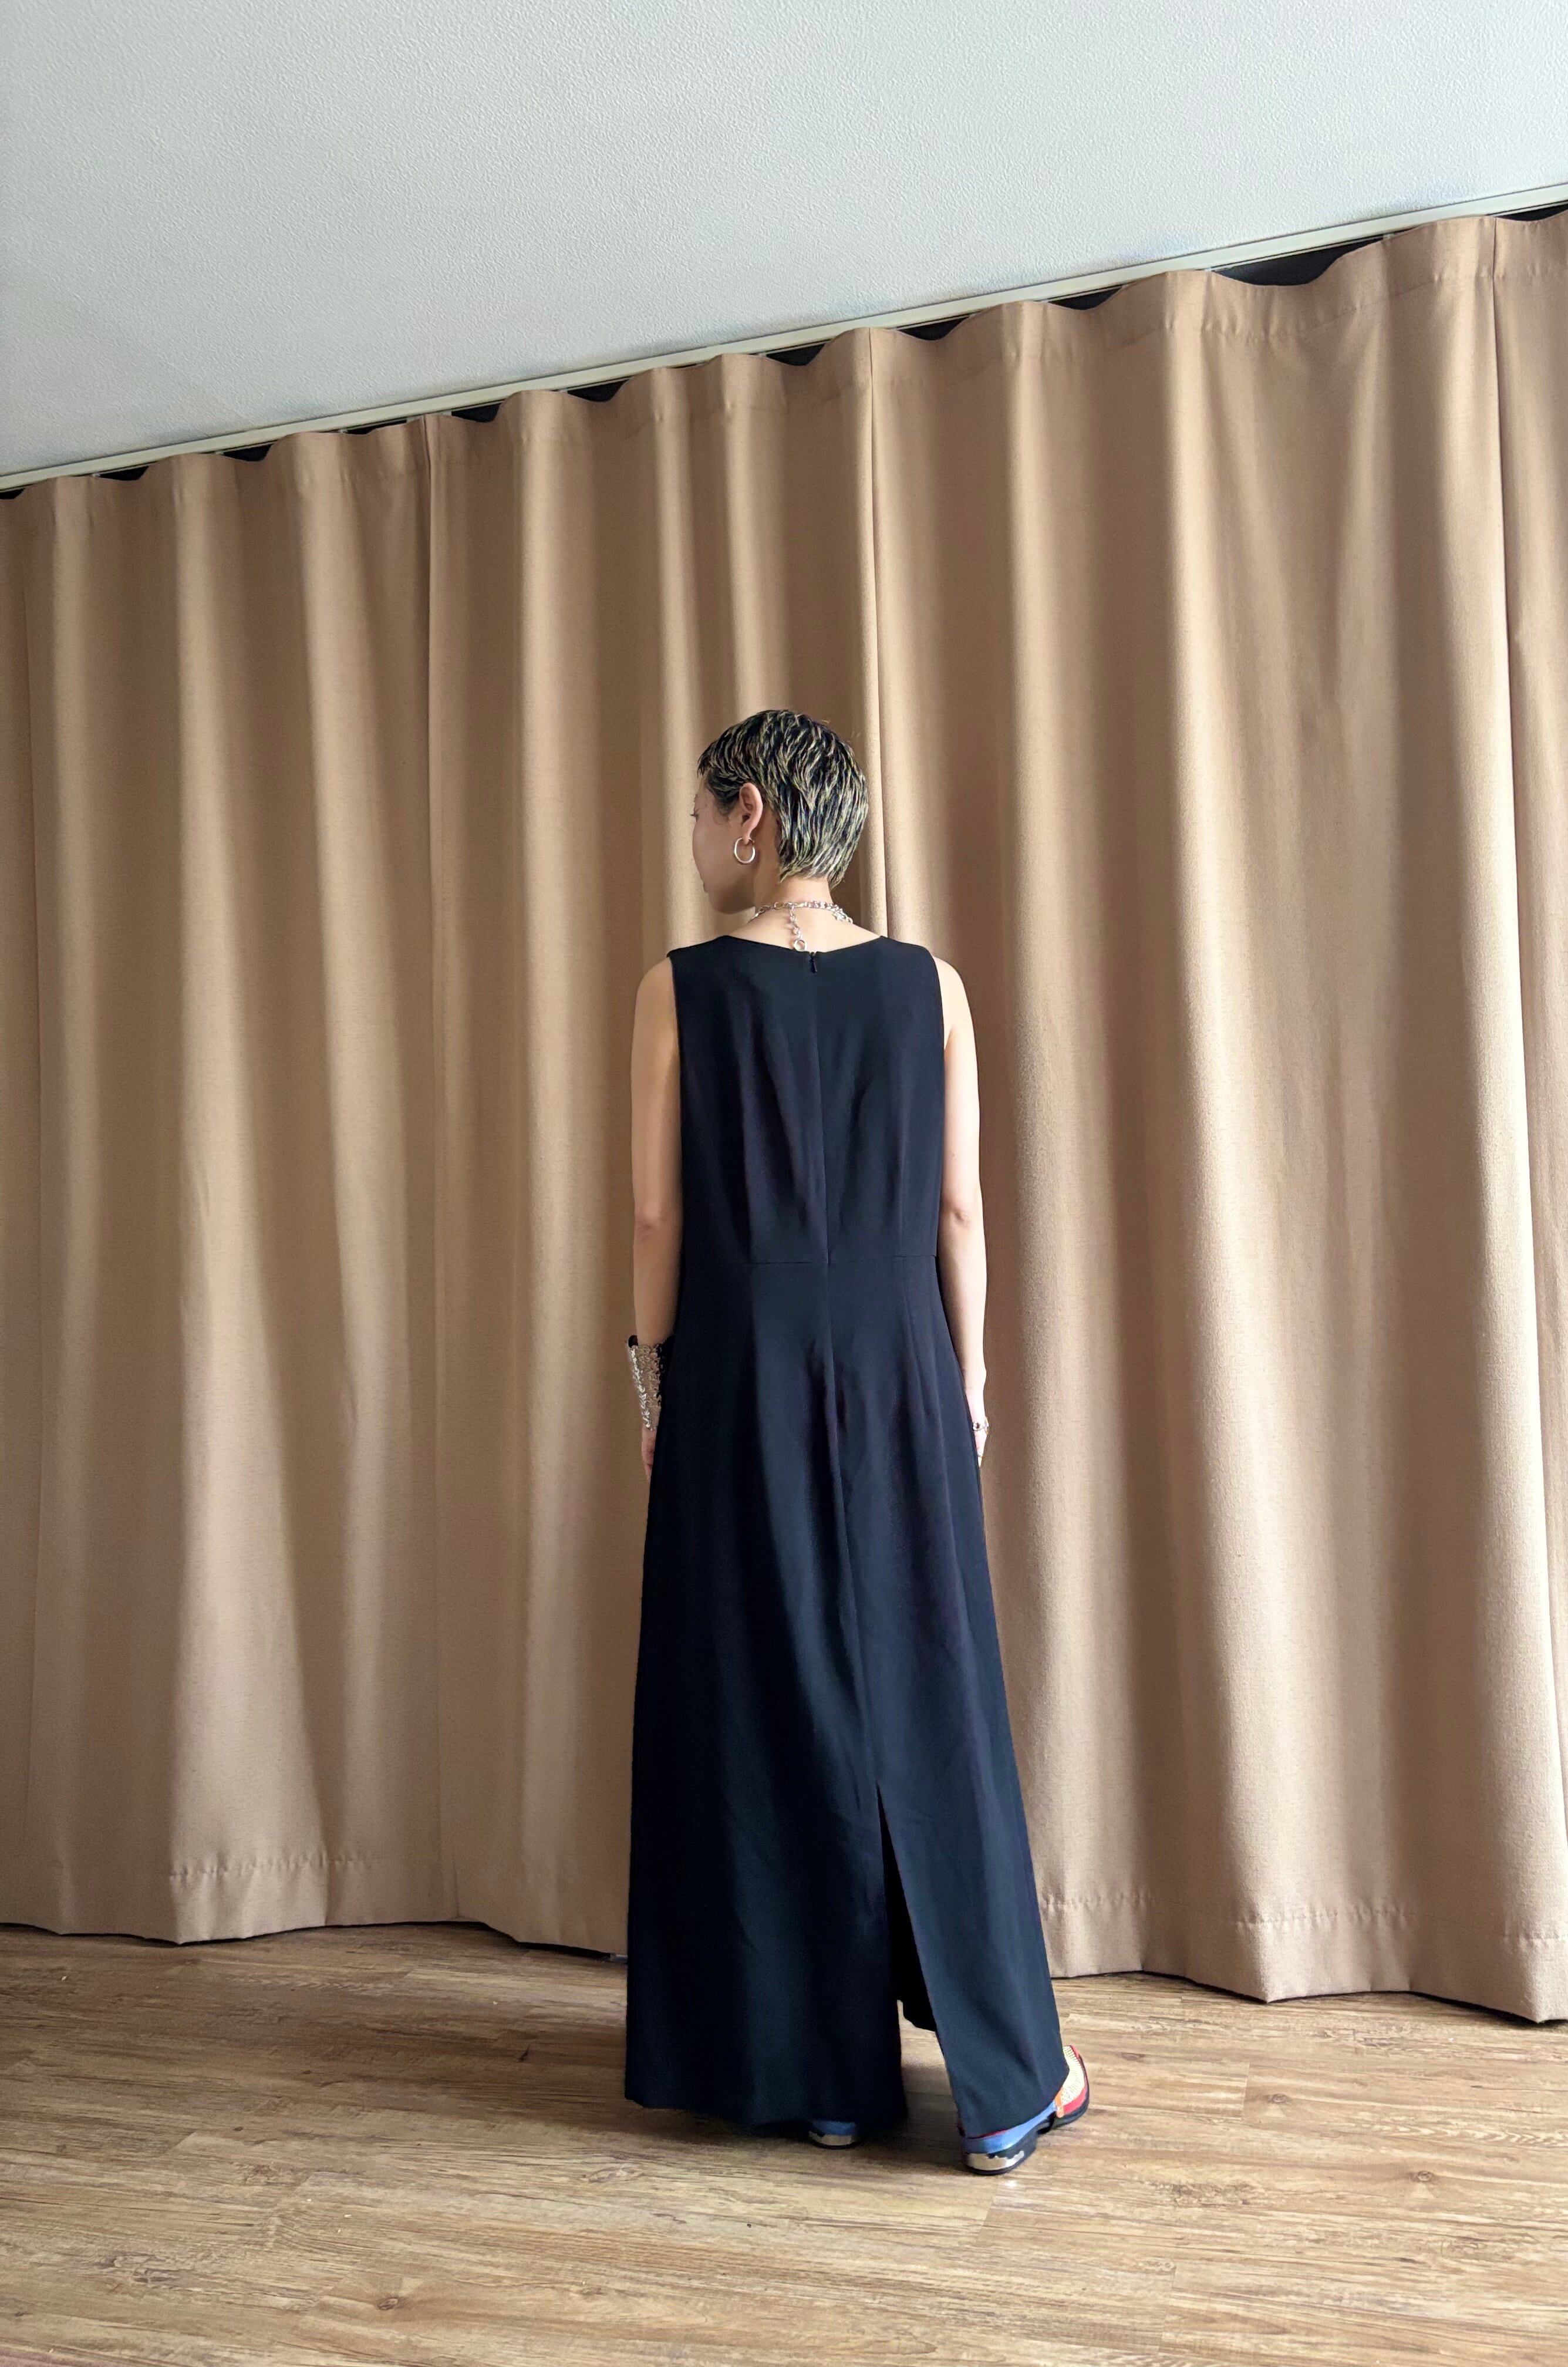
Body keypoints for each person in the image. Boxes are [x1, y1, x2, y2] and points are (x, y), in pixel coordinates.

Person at [623, 707, 1089, 2176]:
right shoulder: (932, 986)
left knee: (773, 1699)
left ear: (752, 814)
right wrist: (971, 1384)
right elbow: (959, 1210)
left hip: (741, 1372)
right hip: (900, 1371)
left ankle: (823, 2078)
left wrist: (652, 1386)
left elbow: (655, 1217)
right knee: (933, 1702)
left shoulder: (677, 990)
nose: (695, 837)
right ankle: (1013, 2081)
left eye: (703, 812)